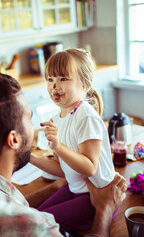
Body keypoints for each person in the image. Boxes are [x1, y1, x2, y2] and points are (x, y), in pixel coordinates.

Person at [0, 70, 126, 236]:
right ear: (14, 140)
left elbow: (9, 207)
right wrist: (105, 209)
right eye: (29, 119)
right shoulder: (36, 229)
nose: (34, 126)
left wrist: (55, 186)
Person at [30, 48, 117, 233]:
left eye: (63, 79)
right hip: (76, 188)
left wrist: (59, 147)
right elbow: (63, 169)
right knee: (36, 215)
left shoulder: (85, 116)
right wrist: (30, 157)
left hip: (95, 196)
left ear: (84, 84)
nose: (55, 86)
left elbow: (89, 167)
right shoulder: (58, 117)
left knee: (39, 224)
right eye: (50, 79)